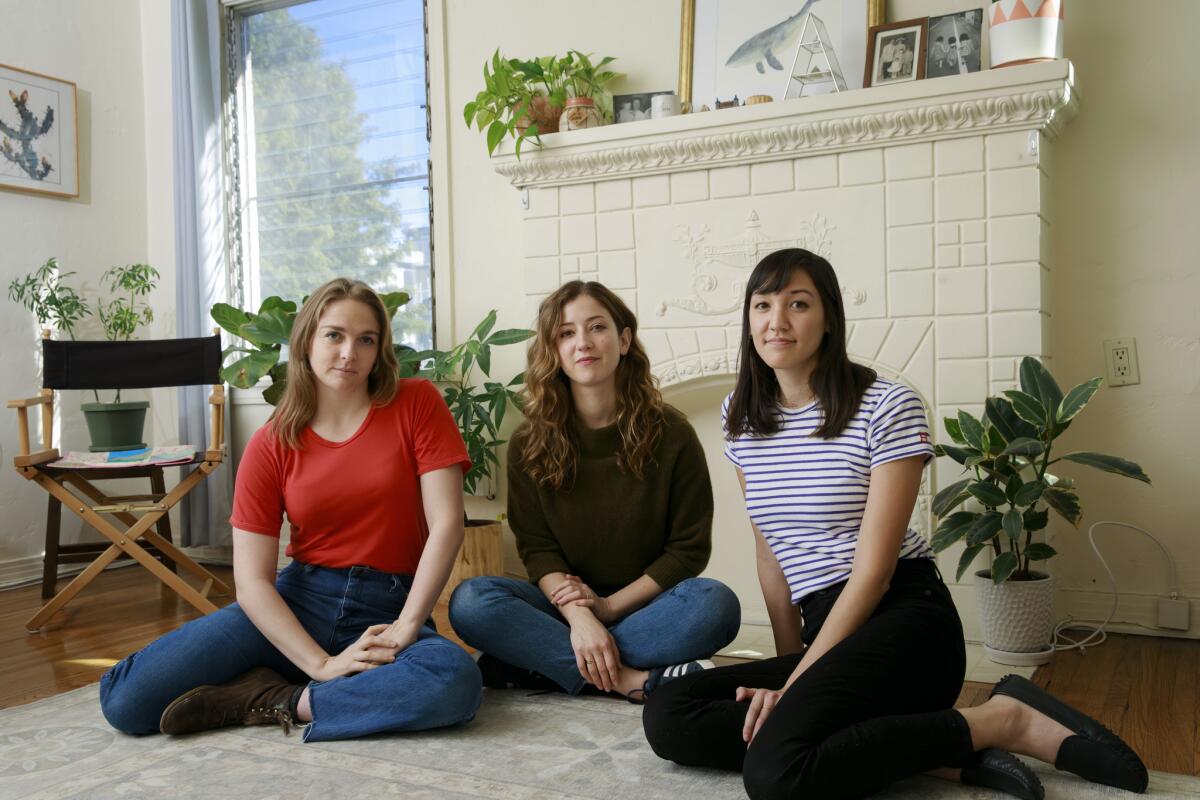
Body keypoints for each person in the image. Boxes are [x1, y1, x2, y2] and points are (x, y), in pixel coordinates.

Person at [642, 249, 1149, 799]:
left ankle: (1005, 719)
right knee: (670, 713)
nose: (776, 321)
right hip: (828, 633)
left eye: (798, 304)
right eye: (762, 305)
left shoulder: (885, 404)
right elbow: (772, 555)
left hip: (903, 622)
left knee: (775, 774)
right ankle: (928, 751)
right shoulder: (740, 415)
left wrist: (794, 685)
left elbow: (875, 571)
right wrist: (793, 665)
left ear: (829, 317)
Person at [99, 278, 483, 742]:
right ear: (306, 341)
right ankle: (303, 676)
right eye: (334, 335)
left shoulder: (417, 403)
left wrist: (407, 626)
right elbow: (252, 581)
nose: (349, 353)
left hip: (387, 606)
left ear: (380, 349)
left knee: (454, 681)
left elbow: (446, 524)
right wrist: (320, 664)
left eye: (366, 340)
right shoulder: (272, 442)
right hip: (300, 600)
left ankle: (278, 699)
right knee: (124, 700)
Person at [449, 280, 741, 702]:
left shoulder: (672, 433)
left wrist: (606, 610)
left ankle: (540, 666)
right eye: (566, 333)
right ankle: (628, 679)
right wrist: (581, 617)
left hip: (643, 609)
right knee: (471, 600)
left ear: (624, 340)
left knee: (716, 604)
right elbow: (538, 550)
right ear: (553, 351)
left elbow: (687, 551)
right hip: (561, 611)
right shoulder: (529, 441)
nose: (583, 343)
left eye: (597, 327)